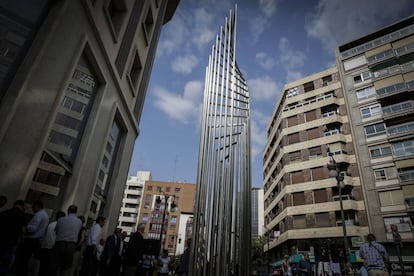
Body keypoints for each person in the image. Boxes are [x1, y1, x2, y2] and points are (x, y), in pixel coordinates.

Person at [13, 200, 49, 276]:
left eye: (33, 207)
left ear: (37, 206)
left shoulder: (38, 215)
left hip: (31, 239)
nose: (32, 209)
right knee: (31, 258)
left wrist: (25, 227)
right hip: (38, 239)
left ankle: (20, 272)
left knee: (23, 257)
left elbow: (33, 228)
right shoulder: (45, 215)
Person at [52, 205, 83, 276]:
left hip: (60, 244)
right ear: (76, 212)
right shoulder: (79, 222)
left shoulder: (61, 219)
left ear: (68, 211)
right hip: (71, 246)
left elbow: (56, 231)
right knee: (66, 267)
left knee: (56, 264)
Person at [0, 200, 27, 275]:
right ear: (21, 206)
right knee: (7, 260)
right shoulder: (22, 215)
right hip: (12, 241)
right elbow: (23, 230)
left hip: (1, 239)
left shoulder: (4, 212)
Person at [38, 210, 65, 276]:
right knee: (50, 269)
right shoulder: (60, 226)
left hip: (44, 247)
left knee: (42, 267)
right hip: (52, 249)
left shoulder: (51, 224)